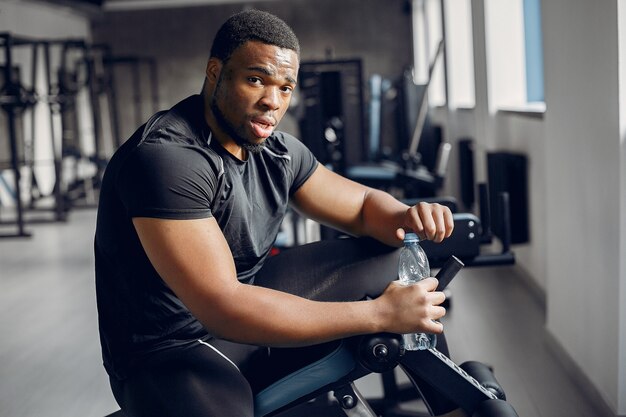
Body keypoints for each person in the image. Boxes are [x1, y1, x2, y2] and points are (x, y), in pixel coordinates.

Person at [94, 9, 454, 417]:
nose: (273, 101)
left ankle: (455, 406)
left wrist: (406, 217)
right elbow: (223, 307)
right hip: (168, 350)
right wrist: (376, 314)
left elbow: (362, 207)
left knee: (394, 258)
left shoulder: (277, 151)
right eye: (256, 80)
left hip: (248, 307)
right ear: (215, 72)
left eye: (285, 88)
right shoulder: (166, 159)